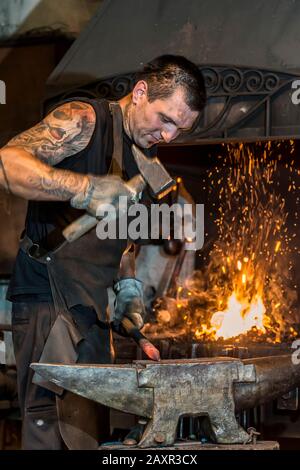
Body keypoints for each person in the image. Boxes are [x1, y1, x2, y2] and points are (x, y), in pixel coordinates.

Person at [0, 55, 206, 449]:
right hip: (49, 300)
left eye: (180, 129)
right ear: (141, 92)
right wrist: (85, 189)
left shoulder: (147, 162)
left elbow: (119, 237)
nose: (169, 136)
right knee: (47, 430)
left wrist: (127, 288)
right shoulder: (84, 119)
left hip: (94, 310)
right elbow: (6, 162)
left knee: (86, 434)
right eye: (165, 119)